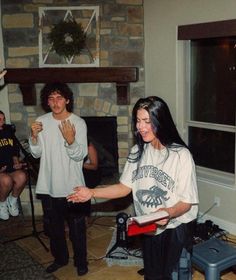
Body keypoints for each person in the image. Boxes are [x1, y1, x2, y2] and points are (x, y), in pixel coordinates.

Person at [67, 96, 199, 280]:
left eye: (147, 121)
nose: (140, 127)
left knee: (175, 276)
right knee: (153, 275)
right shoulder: (138, 152)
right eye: (138, 120)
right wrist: (91, 192)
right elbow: (124, 187)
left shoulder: (180, 156)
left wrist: (168, 212)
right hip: (149, 224)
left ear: (161, 121)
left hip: (175, 227)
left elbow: (187, 202)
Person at [29, 82, 89, 276]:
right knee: (54, 229)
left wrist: (71, 141)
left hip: (73, 186)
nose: (55, 102)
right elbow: (36, 154)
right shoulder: (42, 120)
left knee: (77, 229)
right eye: (51, 98)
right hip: (49, 185)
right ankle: (60, 259)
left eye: (59, 98)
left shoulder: (78, 123)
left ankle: (81, 262)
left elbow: (81, 155)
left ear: (67, 100)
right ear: (47, 101)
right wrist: (34, 137)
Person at [0, 111, 27, 220]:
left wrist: (16, 161)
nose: (2, 121)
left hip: (10, 167)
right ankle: (2, 203)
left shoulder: (8, 131)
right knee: (7, 181)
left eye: (3, 119)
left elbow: (14, 149)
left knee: (22, 176)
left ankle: (12, 200)